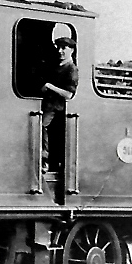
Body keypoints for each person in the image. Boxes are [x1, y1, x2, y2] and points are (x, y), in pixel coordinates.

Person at [40, 37, 79, 172]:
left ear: (72, 50)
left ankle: (45, 161)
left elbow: (69, 94)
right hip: (50, 105)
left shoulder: (71, 69)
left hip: (58, 108)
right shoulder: (57, 66)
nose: (60, 51)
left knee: (42, 126)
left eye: (64, 48)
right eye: (58, 48)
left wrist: (50, 86)